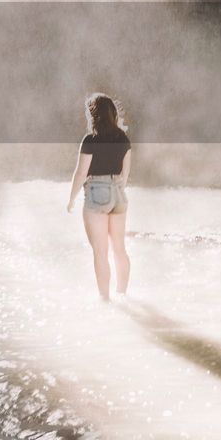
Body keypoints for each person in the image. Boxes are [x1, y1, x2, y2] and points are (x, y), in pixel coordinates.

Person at [67, 93, 131, 301]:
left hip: (97, 193)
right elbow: (125, 175)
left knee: (100, 252)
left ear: (93, 116)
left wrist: (71, 198)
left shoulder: (90, 139)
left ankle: (105, 301)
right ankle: (123, 295)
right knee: (119, 249)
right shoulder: (123, 139)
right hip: (119, 194)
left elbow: (81, 173)